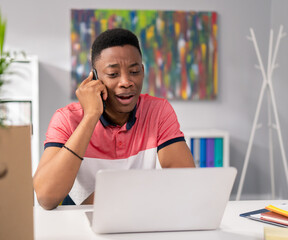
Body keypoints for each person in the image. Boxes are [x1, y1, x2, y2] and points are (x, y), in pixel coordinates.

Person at [33, 28, 195, 210]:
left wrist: (119, 194)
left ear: (142, 71)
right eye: (113, 74)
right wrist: (90, 116)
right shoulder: (66, 118)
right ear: (95, 77)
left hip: (136, 222)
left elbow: (185, 182)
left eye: (134, 71)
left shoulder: (158, 111)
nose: (126, 81)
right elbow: (46, 197)